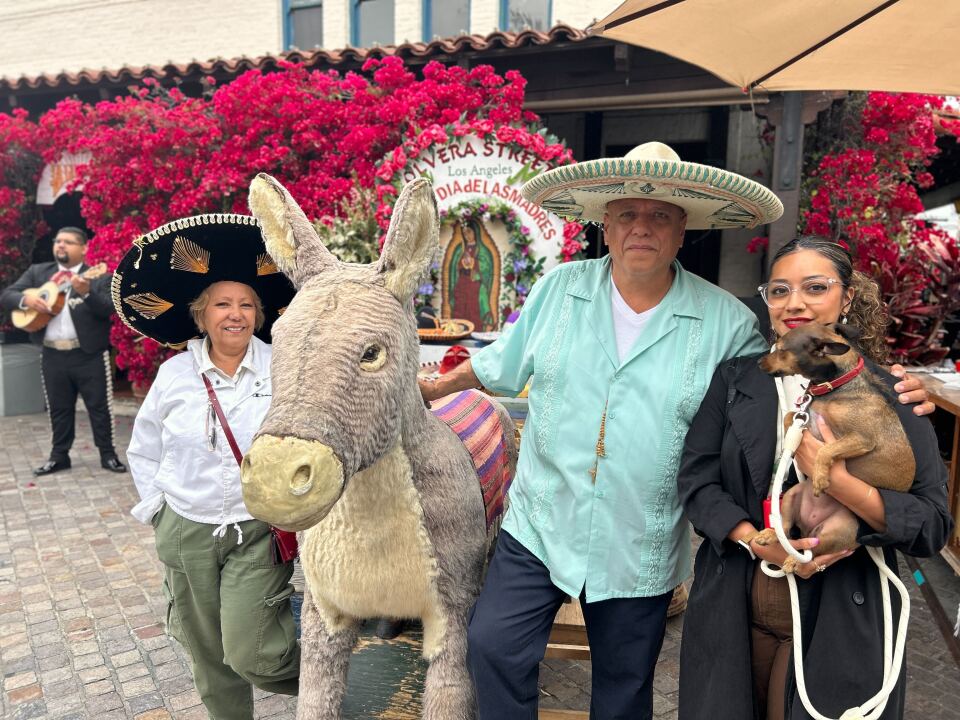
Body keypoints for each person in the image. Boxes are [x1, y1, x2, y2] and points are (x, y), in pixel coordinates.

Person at [420, 143, 933, 720]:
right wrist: (429, 389)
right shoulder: (558, 291)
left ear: (681, 229)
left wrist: (888, 386)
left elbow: (779, 371)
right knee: (491, 647)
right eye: (627, 215)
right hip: (540, 521)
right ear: (605, 228)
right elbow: (499, 366)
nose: (642, 227)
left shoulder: (726, 321)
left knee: (624, 687)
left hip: (640, 538)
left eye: (659, 215)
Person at [676, 236, 953, 720]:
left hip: (842, 611)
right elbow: (697, 483)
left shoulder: (893, 393)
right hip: (736, 603)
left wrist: (843, 484)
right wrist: (757, 540)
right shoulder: (735, 380)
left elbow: (931, 526)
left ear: (847, 297)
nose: (794, 303)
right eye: (779, 290)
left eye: (815, 287)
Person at [118, 215, 299, 719]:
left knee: (253, 654)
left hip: (255, 531)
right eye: (222, 304)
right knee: (208, 653)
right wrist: (158, 511)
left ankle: (334, 678)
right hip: (185, 529)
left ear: (259, 315)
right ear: (202, 316)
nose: (235, 314)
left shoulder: (283, 370)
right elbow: (144, 447)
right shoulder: (174, 374)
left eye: (246, 304)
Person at [1, 226, 126, 475]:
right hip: (52, 354)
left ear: (84, 248)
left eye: (68, 242)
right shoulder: (39, 273)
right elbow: (7, 295)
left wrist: (86, 292)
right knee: (59, 408)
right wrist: (27, 300)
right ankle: (59, 456)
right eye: (58, 241)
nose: (61, 245)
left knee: (99, 407)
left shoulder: (99, 276)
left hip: (88, 354)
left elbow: (107, 309)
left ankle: (107, 454)